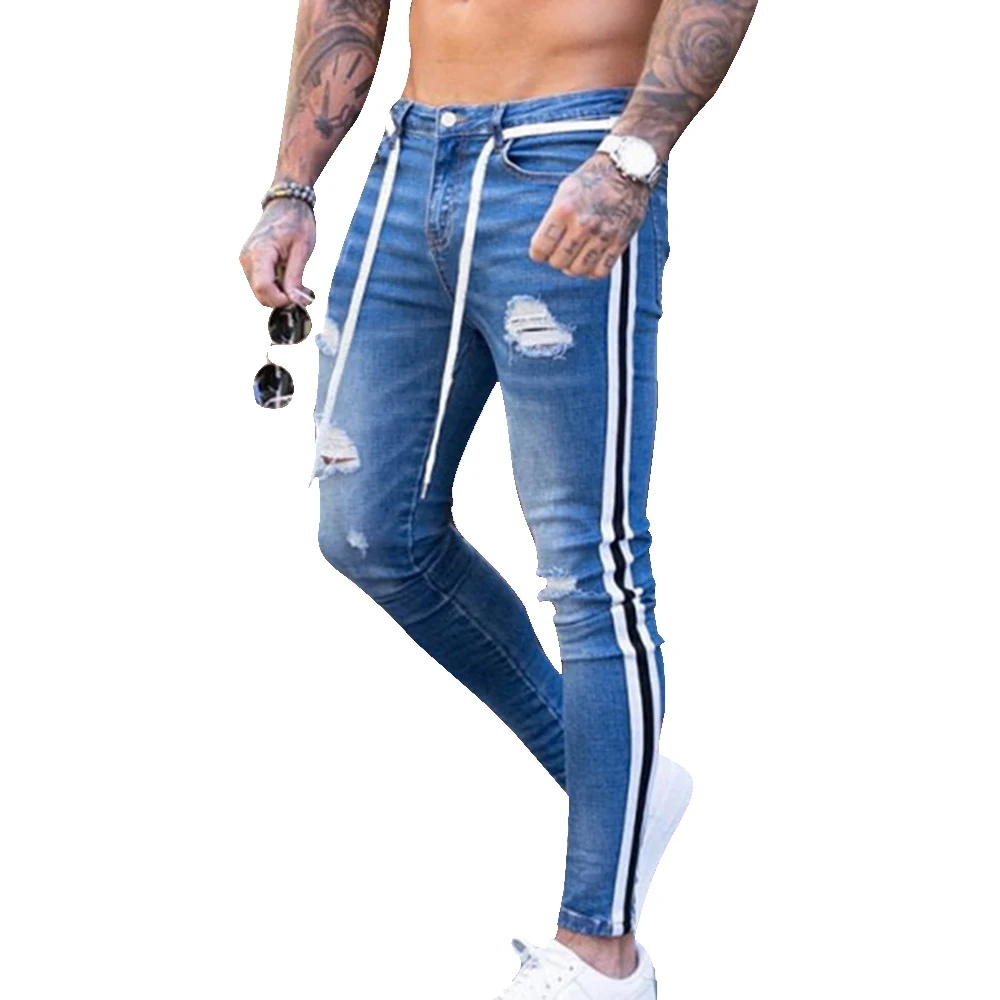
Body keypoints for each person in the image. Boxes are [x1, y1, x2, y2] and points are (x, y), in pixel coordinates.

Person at [239, 1, 756, 996]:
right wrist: (292, 186)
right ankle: (623, 785)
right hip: (411, 158)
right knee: (369, 531)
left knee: (589, 562)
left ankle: (602, 953)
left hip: (574, 149)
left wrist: (632, 158)